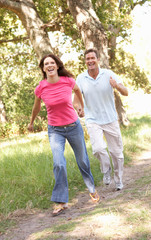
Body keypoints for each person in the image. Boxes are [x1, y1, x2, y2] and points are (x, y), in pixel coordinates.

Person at [28, 54, 99, 217]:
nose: (50, 65)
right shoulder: (41, 87)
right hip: (55, 130)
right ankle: (61, 202)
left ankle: (92, 188)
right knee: (58, 163)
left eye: (52, 62)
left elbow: (78, 91)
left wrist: (80, 106)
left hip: (73, 126)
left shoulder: (68, 81)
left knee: (82, 160)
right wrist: (31, 122)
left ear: (57, 66)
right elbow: (36, 107)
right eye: (46, 64)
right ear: (43, 68)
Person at [73, 48, 128, 191]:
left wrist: (116, 86)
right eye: (87, 59)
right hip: (93, 120)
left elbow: (125, 92)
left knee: (116, 153)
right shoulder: (81, 78)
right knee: (98, 149)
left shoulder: (108, 74)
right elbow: (76, 101)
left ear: (98, 60)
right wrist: (79, 108)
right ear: (85, 62)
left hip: (110, 119)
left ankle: (119, 178)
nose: (90, 61)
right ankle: (106, 170)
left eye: (92, 58)